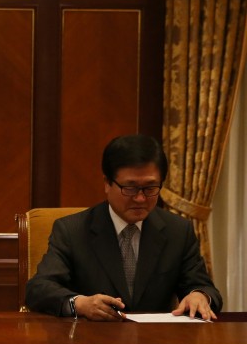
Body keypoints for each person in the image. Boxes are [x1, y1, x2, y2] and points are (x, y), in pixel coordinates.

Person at [25, 134, 222, 321]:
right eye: (130, 188)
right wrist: (80, 304)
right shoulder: (72, 231)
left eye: (150, 188)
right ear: (107, 183)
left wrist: (200, 296)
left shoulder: (178, 231)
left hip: (156, 340)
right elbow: (39, 288)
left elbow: (204, 287)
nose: (140, 198)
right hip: (91, 339)